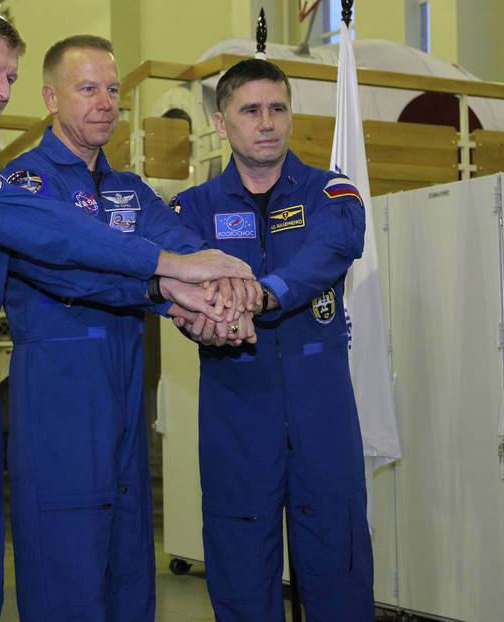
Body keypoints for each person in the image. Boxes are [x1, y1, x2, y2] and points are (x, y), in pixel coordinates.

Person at [0, 6, 252, 622]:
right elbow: (43, 228)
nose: (3, 91)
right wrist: (169, 266)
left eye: (10, 76)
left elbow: (66, 261)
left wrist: (173, 289)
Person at [0, 35, 247, 621]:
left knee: (130, 562)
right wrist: (167, 287)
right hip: (59, 400)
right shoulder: (26, 185)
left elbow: (185, 246)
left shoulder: (128, 191)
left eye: (113, 89)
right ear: (50, 97)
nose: (106, 102)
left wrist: (224, 289)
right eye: (88, 89)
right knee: (67, 565)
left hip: (122, 394)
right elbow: (66, 268)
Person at [171, 58, 373, 621]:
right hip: (236, 408)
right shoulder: (191, 210)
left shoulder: (333, 194)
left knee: (339, 559)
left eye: (278, 108)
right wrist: (192, 313)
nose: (267, 122)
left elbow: (329, 252)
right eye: (251, 109)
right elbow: (169, 277)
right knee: (240, 563)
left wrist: (263, 293)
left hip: (321, 408)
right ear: (221, 123)